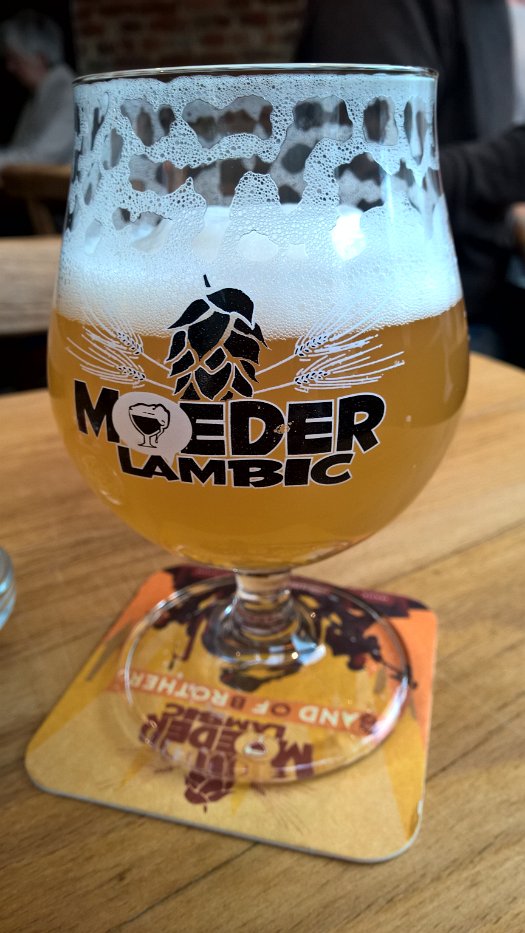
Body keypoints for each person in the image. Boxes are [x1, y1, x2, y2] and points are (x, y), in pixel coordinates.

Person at [296, 0, 525, 365]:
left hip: (487, 281)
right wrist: (508, 164)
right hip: (411, 315)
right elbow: (359, 178)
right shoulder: (375, 10)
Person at [0, 10, 75, 170]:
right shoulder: (38, 95)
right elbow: (18, 148)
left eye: (15, 59)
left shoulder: (68, 94)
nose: (10, 67)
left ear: (41, 57)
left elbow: (40, 159)